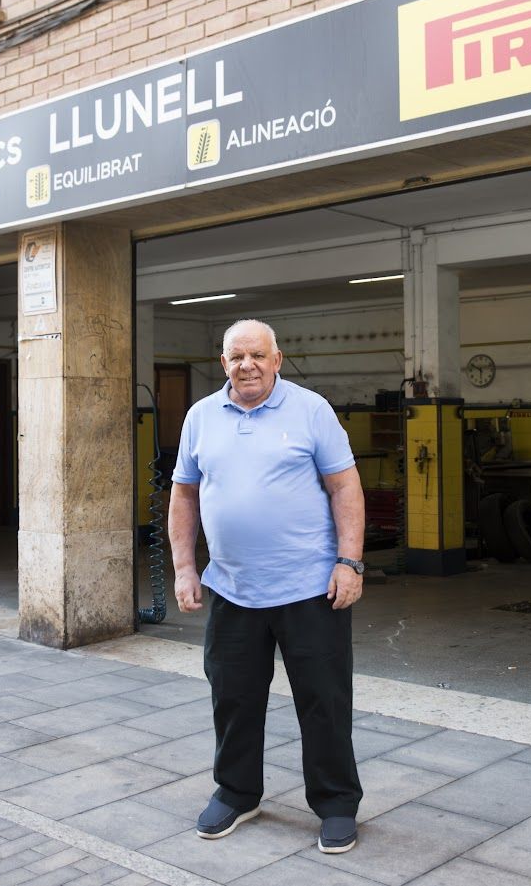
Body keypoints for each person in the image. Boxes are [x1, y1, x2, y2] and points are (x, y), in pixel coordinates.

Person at [169, 318, 367, 855]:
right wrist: (185, 567)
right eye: (236, 357)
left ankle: (335, 804)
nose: (246, 365)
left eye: (257, 355)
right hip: (232, 589)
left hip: (309, 588)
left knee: (323, 700)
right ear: (223, 363)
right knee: (232, 697)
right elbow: (185, 494)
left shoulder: (311, 410)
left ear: (277, 359)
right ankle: (237, 792)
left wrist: (350, 561)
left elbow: (345, 486)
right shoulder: (201, 417)